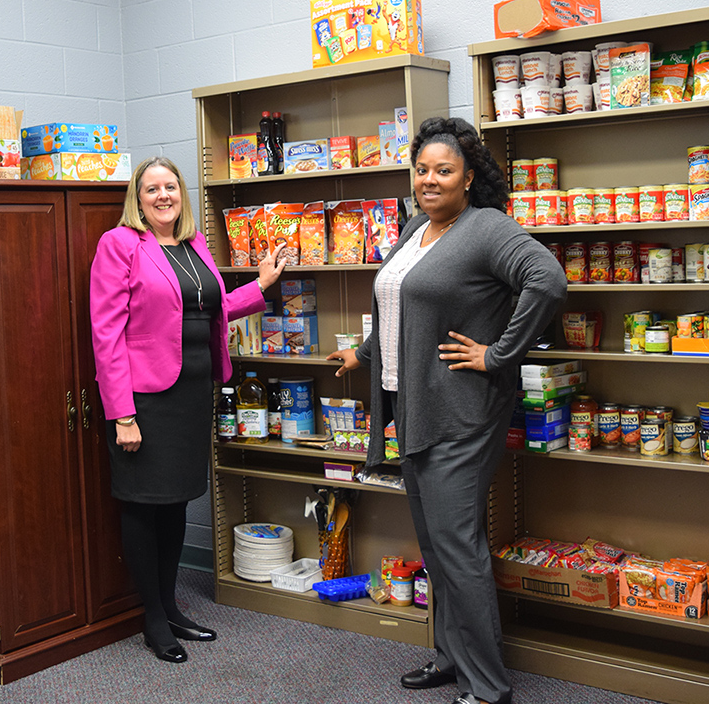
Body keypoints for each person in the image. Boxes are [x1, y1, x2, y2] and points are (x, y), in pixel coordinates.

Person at [327, 117, 566, 704]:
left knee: (457, 548)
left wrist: (498, 355)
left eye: (444, 171)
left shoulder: (486, 227)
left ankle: (489, 687)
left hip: (461, 412)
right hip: (412, 408)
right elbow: (398, 306)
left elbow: (549, 279)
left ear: (468, 178)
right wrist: (362, 354)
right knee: (437, 546)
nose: (429, 180)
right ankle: (451, 659)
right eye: (422, 169)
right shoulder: (416, 227)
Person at [90, 156, 287, 664]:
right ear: (138, 197)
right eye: (152, 188)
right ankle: (153, 619)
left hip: (193, 394)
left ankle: (171, 606)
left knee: (176, 501)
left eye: (171, 187)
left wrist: (259, 286)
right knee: (142, 503)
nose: (163, 196)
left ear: (182, 193)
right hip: (146, 399)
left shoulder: (194, 244)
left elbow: (208, 307)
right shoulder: (120, 245)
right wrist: (122, 415)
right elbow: (106, 333)